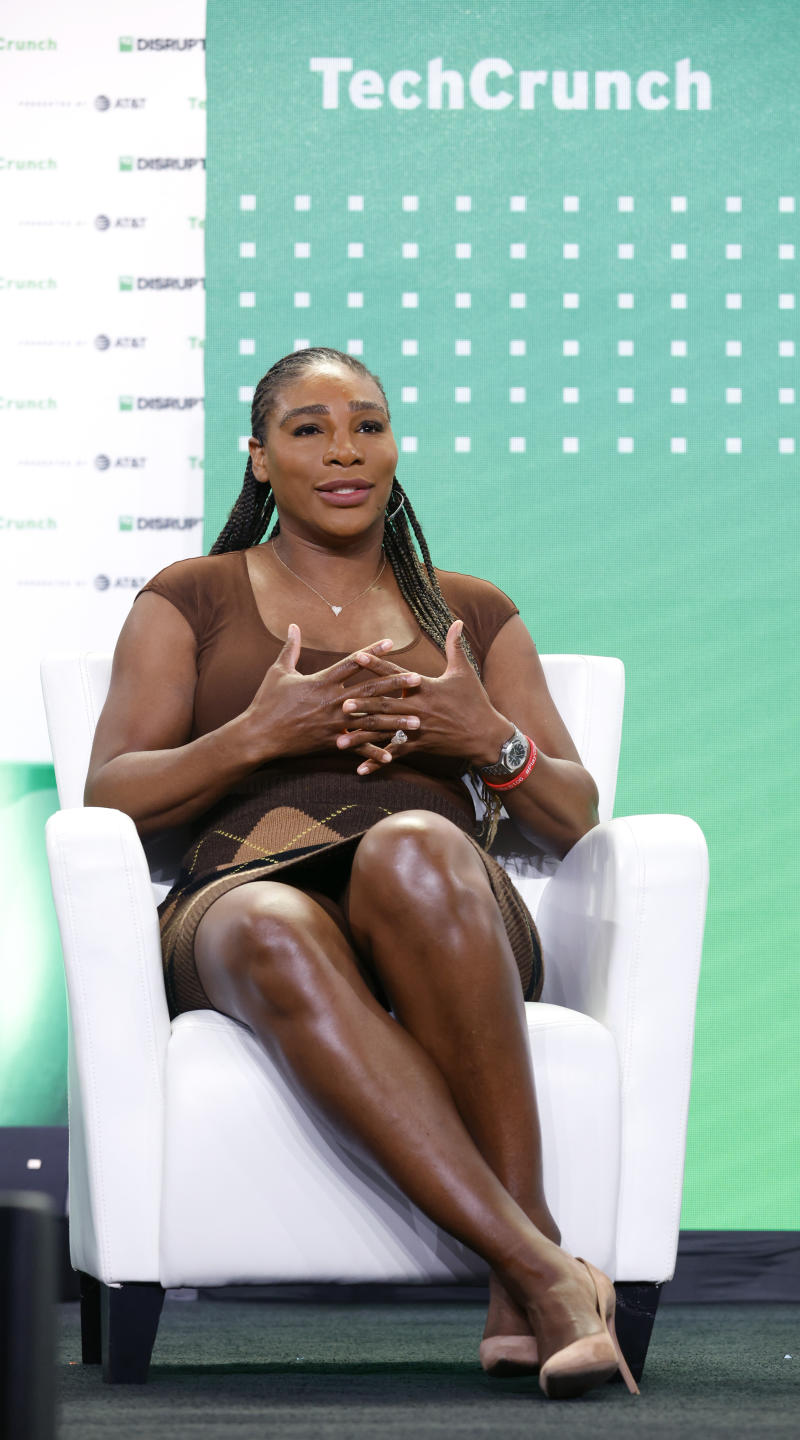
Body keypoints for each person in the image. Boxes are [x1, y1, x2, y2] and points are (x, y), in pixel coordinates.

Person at [85, 346, 637, 1400]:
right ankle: (542, 1269)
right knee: (273, 923)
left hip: (438, 912)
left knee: (417, 849)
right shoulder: (190, 597)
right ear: (258, 459)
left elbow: (574, 817)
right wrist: (253, 737)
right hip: (237, 900)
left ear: (394, 446)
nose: (345, 449)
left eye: (368, 424)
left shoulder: (469, 610)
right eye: (308, 428)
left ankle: (523, 1278)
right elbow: (110, 797)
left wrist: (490, 740)